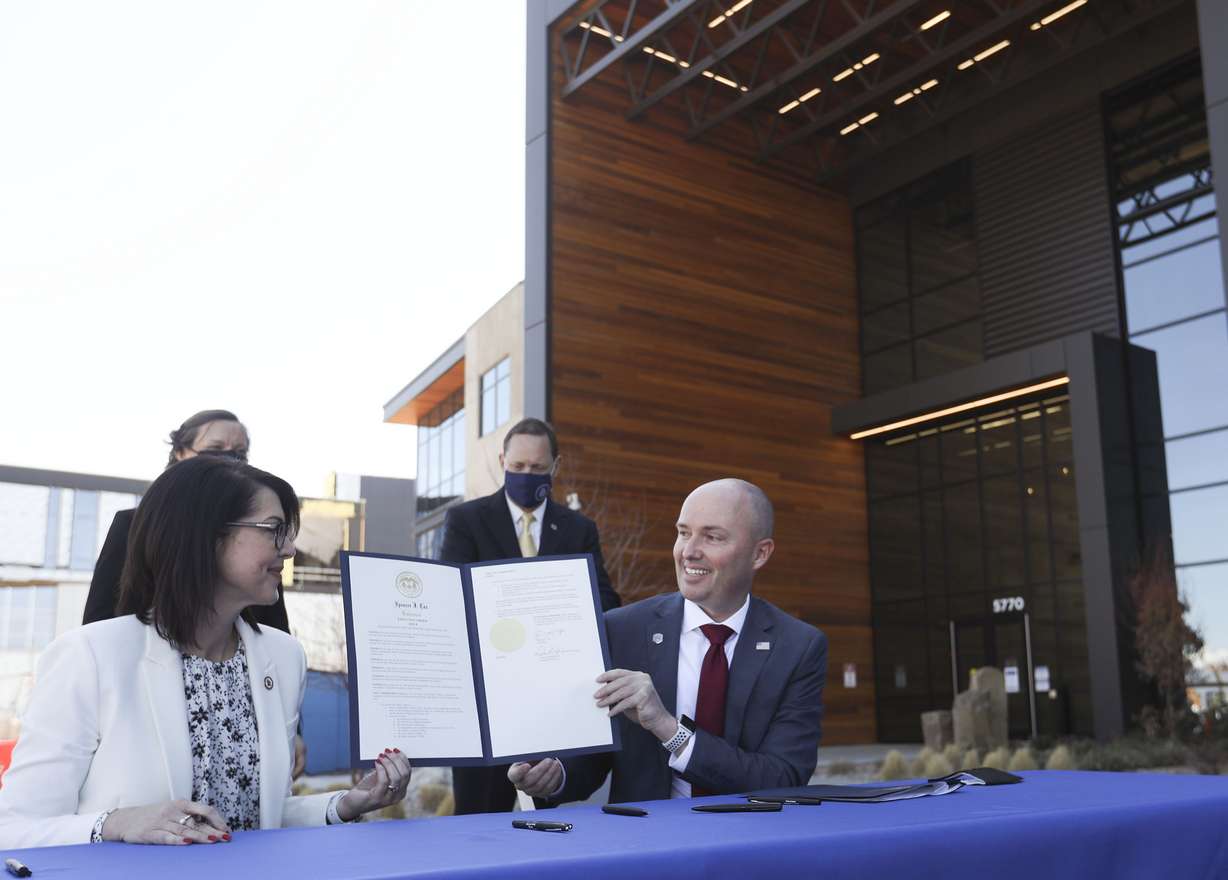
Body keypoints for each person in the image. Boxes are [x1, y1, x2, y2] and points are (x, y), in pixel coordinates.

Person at [0, 457, 409, 849]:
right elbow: (15, 828)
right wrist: (118, 823)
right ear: (204, 536)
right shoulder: (89, 657)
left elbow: (258, 814)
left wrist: (344, 804)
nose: (289, 550)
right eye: (274, 529)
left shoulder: (284, 657)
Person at [508, 478, 826, 804]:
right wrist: (554, 776)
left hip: (749, 841)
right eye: (684, 533)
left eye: (712, 537)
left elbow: (783, 778)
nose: (689, 552)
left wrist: (669, 729)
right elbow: (594, 759)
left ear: (760, 553)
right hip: (646, 844)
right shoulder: (621, 630)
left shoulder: (799, 648)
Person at [440, 417, 621, 814]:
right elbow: (449, 599)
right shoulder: (466, 520)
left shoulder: (578, 528)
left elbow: (605, 599)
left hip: (549, 703)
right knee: (478, 823)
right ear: (503, 459)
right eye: (518, 466)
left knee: (543, 818)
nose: (526, 475)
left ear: (555, 467)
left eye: (537, 468)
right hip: (484, 705)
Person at [84, 409, 290, 634]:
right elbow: (98, 622)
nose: (229, 460)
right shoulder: (133, 525)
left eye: (240, 453)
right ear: (180, 452)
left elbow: (275, 628)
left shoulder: (259, 536)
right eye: (214, 449)